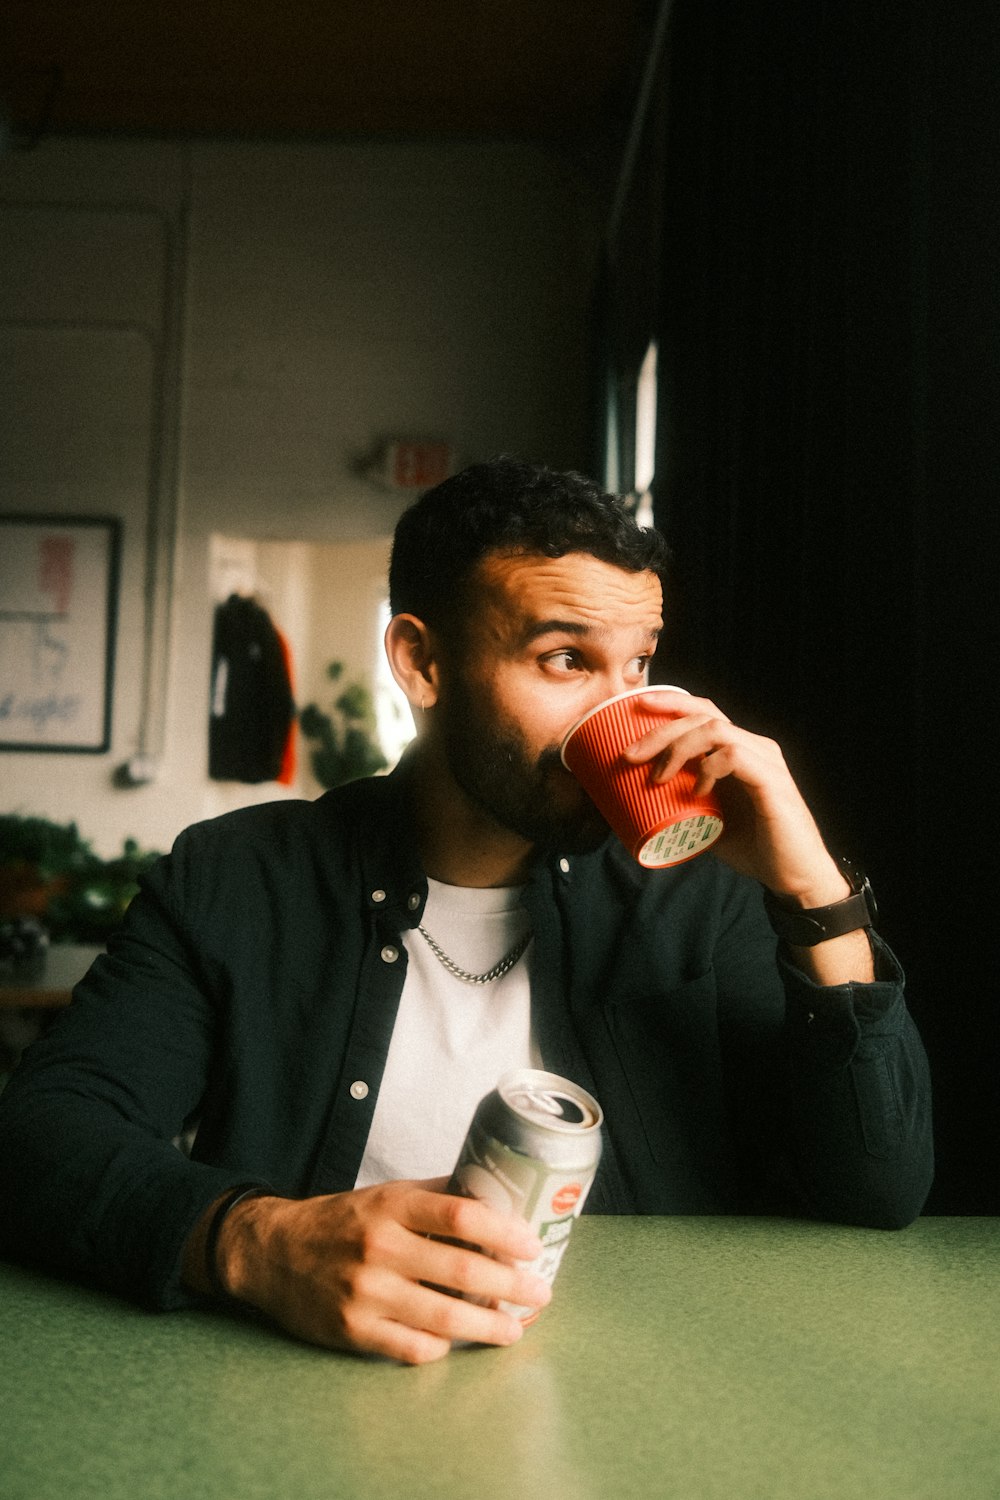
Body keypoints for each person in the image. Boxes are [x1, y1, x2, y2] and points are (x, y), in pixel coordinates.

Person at [0, 458, 933, 1365]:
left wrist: (815, 891)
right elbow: (41, 1135)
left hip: (638, 1397)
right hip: (300, 1382)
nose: (626, 715)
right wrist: (253, 1243)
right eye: (565, 658)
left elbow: (877, 1186)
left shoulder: (696, 903)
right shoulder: (241, 878)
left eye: (639, 662)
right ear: (421, 660)